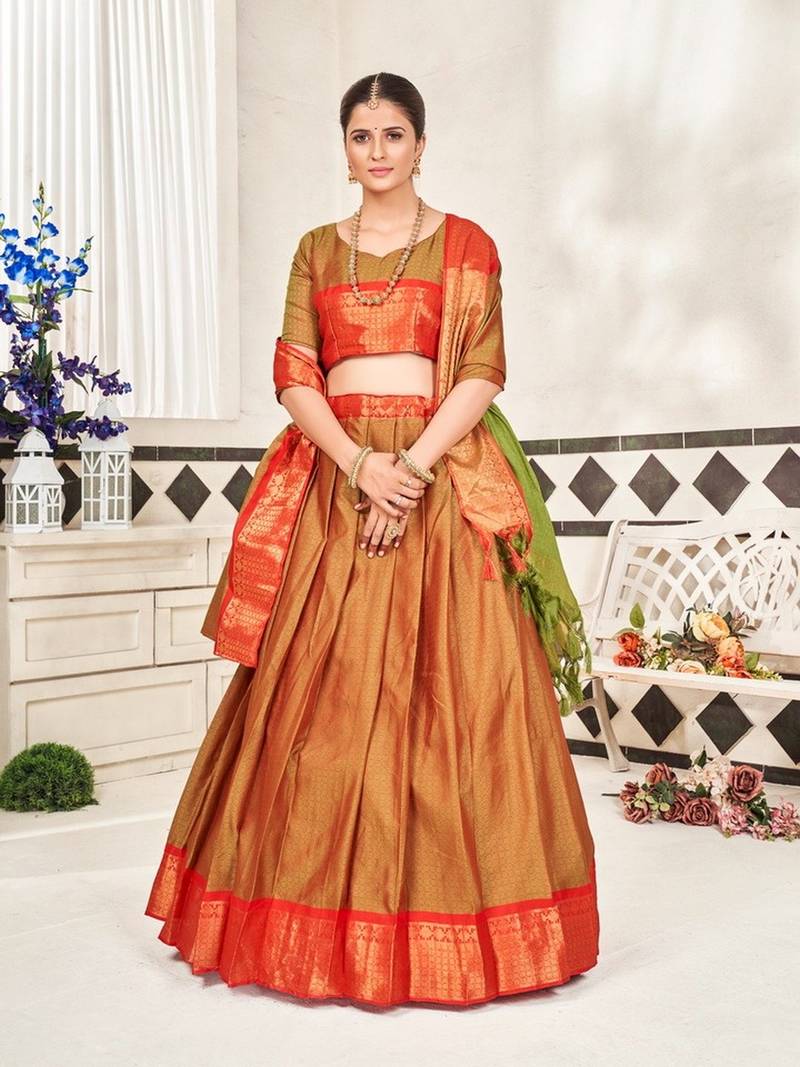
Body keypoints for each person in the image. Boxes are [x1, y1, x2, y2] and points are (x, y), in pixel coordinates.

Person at [145, 71, 600, 1008]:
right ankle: (308, 926)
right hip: (336, 480)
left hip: (441, 476)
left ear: (421, 144)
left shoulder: (467, 243)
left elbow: (482, 371)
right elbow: (294, 375)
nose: (379, 150)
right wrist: (361, 467)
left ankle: (462, 930)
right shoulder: (317, 250)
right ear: (345, 149)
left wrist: (410, 472)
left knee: (462, 698)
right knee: (321, 699)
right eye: (362, 135)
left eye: (394, 134)